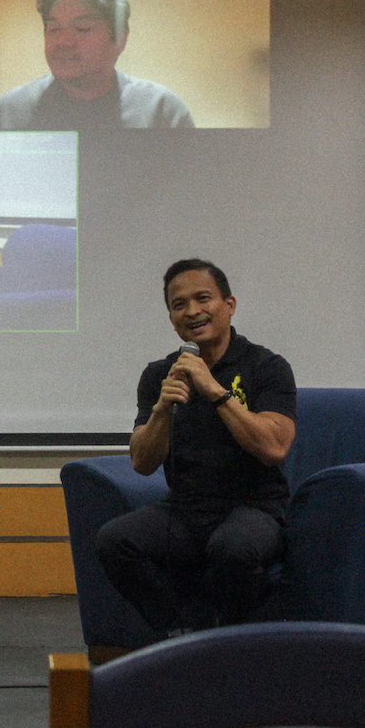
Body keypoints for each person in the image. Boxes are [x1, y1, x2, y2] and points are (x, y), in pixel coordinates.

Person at [94, 259, 296, 636]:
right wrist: (161, 410)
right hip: (186, 509)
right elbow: (141, 462)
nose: (192, 312)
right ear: (171, 318)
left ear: (229, 305)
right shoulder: (161, 374)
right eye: (178, 304)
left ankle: (232, 643)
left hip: (255, 507)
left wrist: (216, 392)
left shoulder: (266, 367)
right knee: (115, 540)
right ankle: (184, 632)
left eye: (203, 299)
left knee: (232, 548)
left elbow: (274, 448)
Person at [0, 0, 194, 130]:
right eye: (53, 29)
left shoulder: (161, 111)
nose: (64, 41)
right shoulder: (7, 114)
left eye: (82, 29)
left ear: (120, 40)